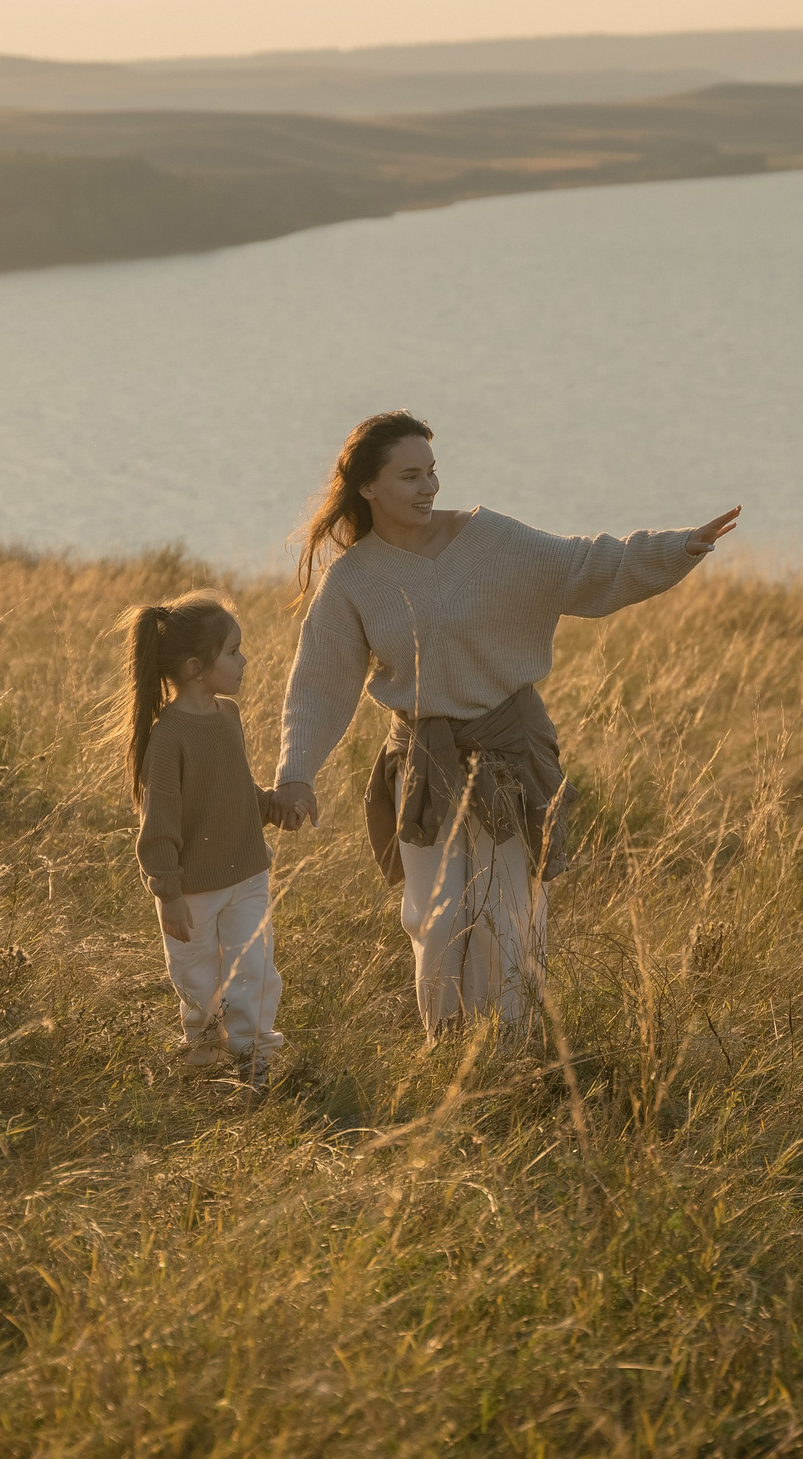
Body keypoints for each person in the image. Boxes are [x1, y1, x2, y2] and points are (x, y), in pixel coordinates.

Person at [272, 410, 738, 1035]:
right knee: (435, 920)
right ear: (367, 487)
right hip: (422, 761)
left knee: (506, 915)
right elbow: (319, 682)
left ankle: (508, 1053)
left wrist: (677, 547)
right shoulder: (353, 578)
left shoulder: (491, 538)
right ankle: (448, 1051)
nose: (429, 487)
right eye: (410, 476)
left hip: (507, 752)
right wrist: (295, 772)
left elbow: (584, 565)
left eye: (433, 472)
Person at [119, 591, 286, 1085]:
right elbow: (160, 823)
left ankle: (253, 1060)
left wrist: (274, 805)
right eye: (234, 651)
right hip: (190, 891)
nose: (244, 660)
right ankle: (203, 1057)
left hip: (248, 875)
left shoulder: (228, 716)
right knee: (198, 982)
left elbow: (236, 789)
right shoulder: (168, 737)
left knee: (253, 969)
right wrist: (167, 893)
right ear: (196, 667)